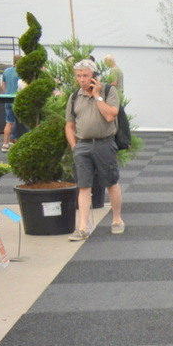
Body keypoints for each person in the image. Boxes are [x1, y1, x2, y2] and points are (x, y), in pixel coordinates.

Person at [65, 59, 124, 240]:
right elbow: (69, 125)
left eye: (85, 76)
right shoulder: (75, 96)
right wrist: (74, 146)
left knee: (111, 182)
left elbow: (110, 116)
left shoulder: (108, 91)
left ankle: (117, 219)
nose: (82, 79)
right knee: (83, 185)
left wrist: (97, 96)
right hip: (82, 145)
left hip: (104, 143)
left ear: (94, 76)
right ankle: (83, 226)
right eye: (79, 76)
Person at [0, 56, 21, 150]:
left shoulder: (6, 71)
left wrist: (7, 93)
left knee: (9, 122)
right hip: (18, 99)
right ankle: (16, 141)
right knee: (22, 122)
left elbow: (3, 85)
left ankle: (5, 144)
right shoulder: (21, 72)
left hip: (8, 99)